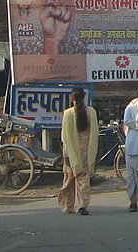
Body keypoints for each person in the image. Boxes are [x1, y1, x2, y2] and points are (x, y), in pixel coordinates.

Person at [58, 87, 98, 215]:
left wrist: (66, 155)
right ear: (84, 97)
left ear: (71, 98)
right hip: (87, 150)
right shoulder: (91, 112)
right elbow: (95, 132)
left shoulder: (68, 113)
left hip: (72, 151)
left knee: (69, 178)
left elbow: (65, 136)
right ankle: (82, 205)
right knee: (83, 179)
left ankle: (68, 205)